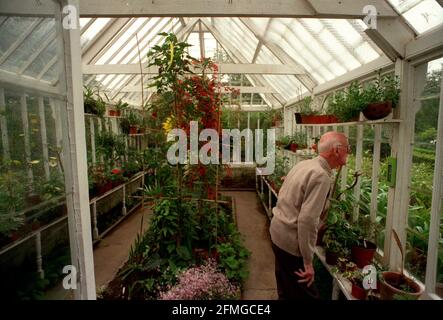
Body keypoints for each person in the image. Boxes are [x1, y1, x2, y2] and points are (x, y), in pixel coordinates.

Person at [269, 131, 351, 300]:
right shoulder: (321, 176)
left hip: (278, 234)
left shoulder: (305, 164)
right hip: (291, 243)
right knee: (307, 296)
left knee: (286, 290)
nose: (349, 151)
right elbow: (307, 220)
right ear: (336, 150)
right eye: (347, 148)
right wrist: (308, 262)